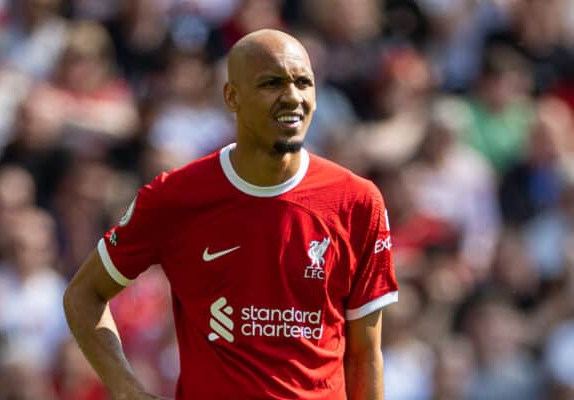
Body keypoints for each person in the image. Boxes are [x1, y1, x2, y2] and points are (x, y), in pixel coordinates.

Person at [63, 29, 399, 400]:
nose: (292, 97)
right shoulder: (175, 197)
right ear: (232, 97)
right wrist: (128, 391)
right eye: (272, 83)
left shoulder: (357, 201)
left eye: (304, 83)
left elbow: (365, 354)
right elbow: (83, 295)